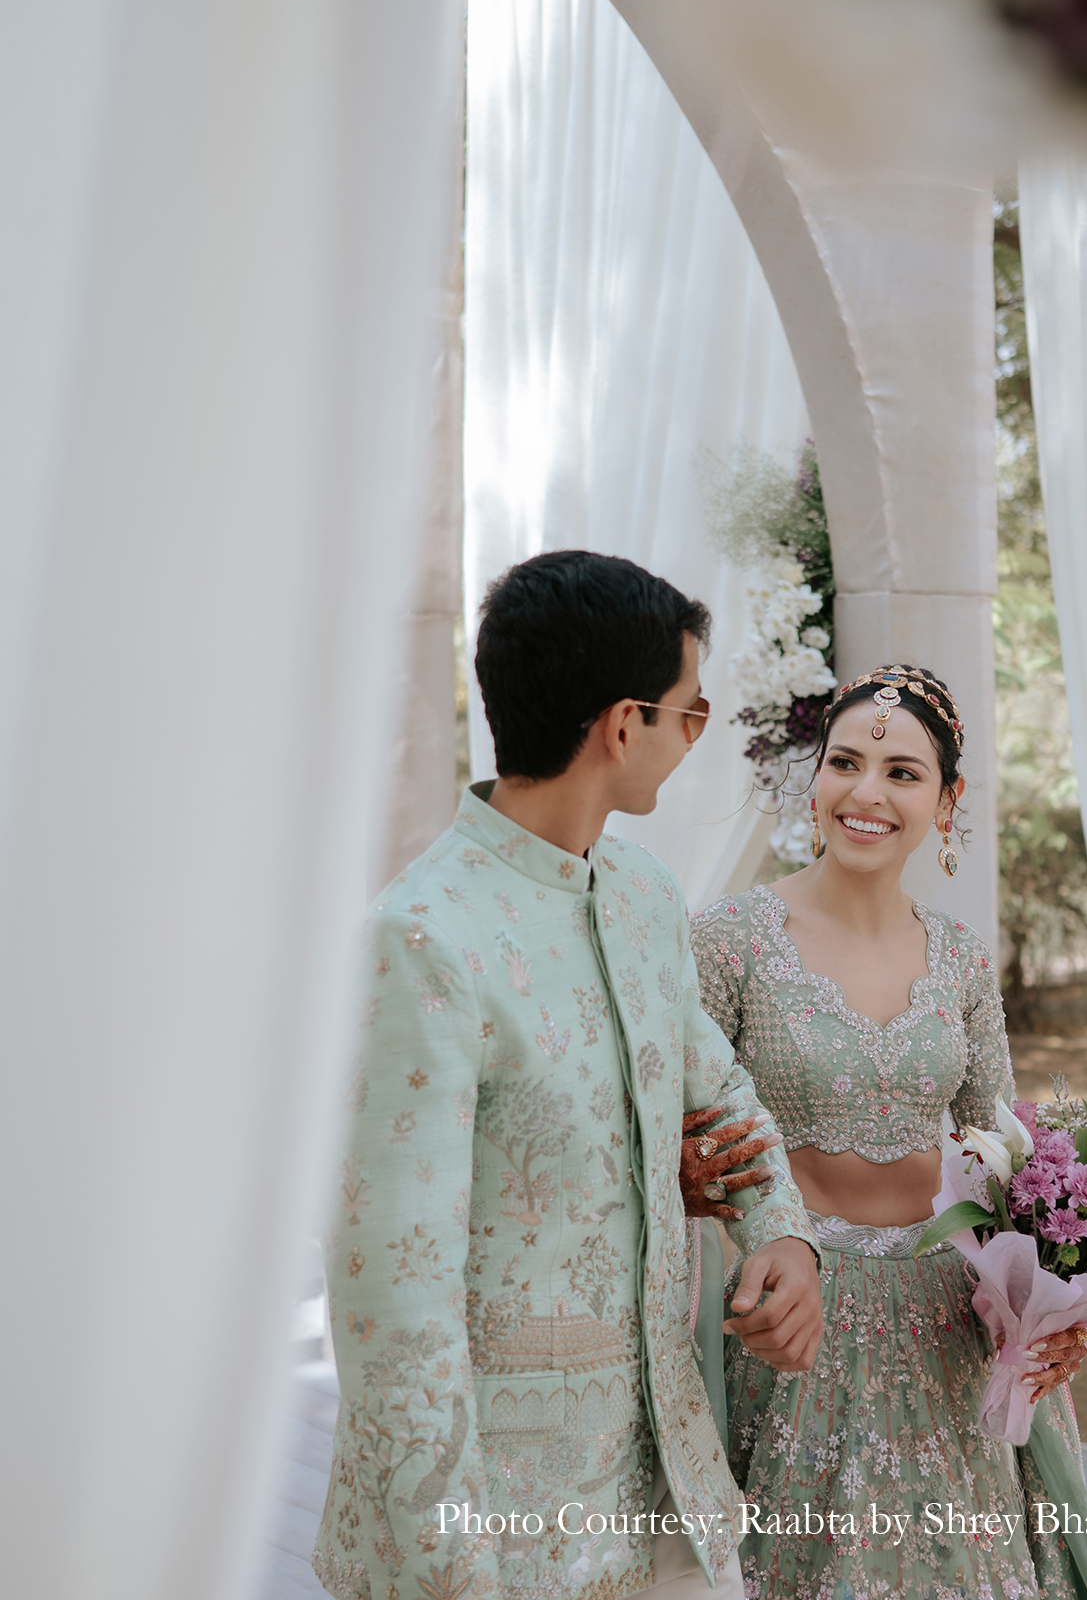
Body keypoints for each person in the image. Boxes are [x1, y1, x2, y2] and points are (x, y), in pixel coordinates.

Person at [313, 550, 825, 1600]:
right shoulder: (422, 937)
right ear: (622, 722)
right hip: (499, 1527)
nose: (695, 735)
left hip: (666, 1489)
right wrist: (454, 1570)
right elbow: (390, 1304)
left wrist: (779, 1228)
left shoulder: (638, 890)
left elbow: (715, 1092)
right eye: (689, 710)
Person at [685, 665, 1087, 1600]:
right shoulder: (730, 941)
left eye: (903, 772)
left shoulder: (960, 957)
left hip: (948, 1325)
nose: (867, 793)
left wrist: (1057, 1310)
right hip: (794, 1317)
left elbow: (1009, 1166)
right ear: (814, 780)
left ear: (947, 799)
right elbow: (686, 1142)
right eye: (845, 763)